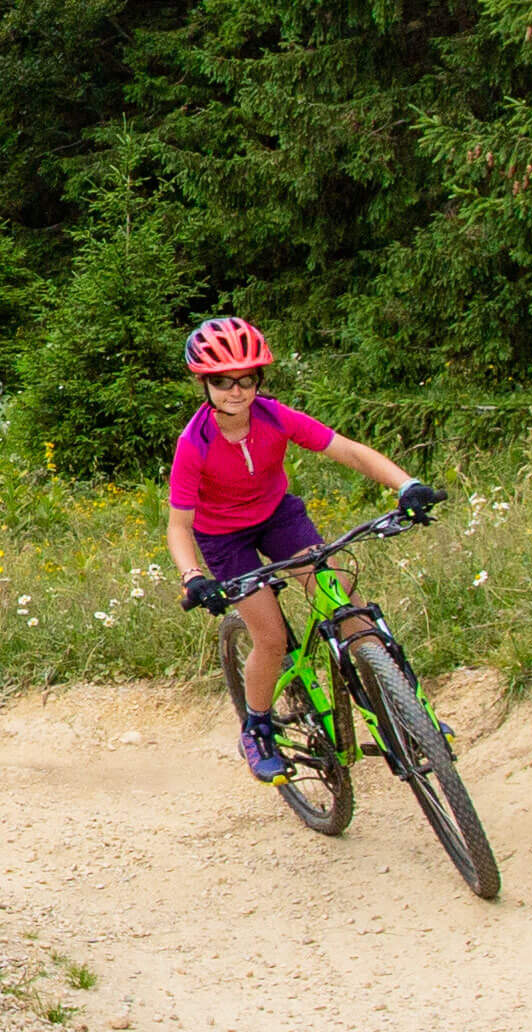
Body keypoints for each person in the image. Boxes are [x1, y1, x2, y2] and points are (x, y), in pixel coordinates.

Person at [161, 317, 444, 782]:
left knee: (343, 599)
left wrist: (406, 485)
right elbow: (179, 526)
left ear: (259, 380)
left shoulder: (274, 416)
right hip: (225, 539)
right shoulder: (195, 444)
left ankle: (408, 714)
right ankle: (257, 728)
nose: (236, 391)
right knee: (270, 637)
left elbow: (348, 450)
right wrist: (194, 576)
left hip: (279, 518)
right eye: (223, 382)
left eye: (246, 380)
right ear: (204, 383)